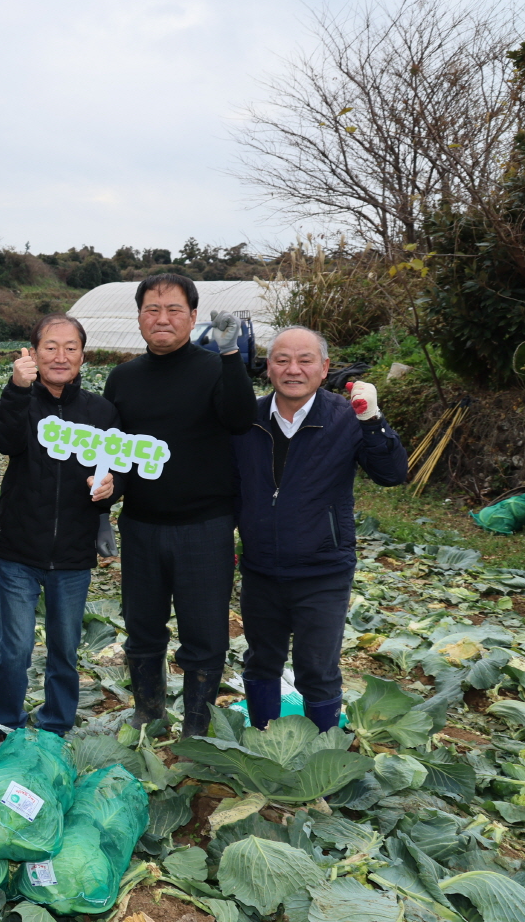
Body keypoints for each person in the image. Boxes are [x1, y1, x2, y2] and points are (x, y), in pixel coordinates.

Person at [100, 274, 256, 736]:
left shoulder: (214, 368)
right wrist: (103, 500)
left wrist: (231, 355)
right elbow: (115, 451)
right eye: (152, 309)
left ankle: (196, 722)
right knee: (142, 627)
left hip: (204, 526)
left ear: (192, 317)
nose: (162, 318)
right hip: (143, 526)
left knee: (204, 632)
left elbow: (240, 418)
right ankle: (149, 712)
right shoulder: (124, 377)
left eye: (173, 310)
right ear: (140, 318)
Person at [234, 326, 406, 732]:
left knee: (317, 667)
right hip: (260, 568)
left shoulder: (349, 418)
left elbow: (392, 474)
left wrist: (373, 421)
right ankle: (264, 741)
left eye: (305, 360)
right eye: (282, 360)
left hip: (323, 569)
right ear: (269, 367)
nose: (293, 369)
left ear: (324, 367)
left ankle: (323, 754)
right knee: (261, 660)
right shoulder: (248, 420)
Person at [0, 313, 120, 738]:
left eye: (71, 348)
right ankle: (7, 723)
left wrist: (110, 489)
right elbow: (4, 441)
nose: (61, 356)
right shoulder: (21, 401)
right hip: (18, 550)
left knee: (65, 647)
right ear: (33, 352)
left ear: (83, 355)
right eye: (50, 347)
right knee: (16, 648)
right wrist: (16, 388)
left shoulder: (100, 411)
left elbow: (118, 472)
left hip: (73, 554)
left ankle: (55, 726)